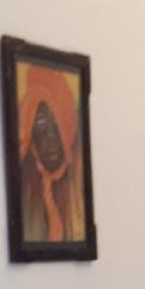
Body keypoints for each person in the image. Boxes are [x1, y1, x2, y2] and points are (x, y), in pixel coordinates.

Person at [17, 66, 84, 243]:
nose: (51, 140)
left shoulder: (79, 173)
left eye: (57, 128)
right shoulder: (25, 181)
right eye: (41, 130)